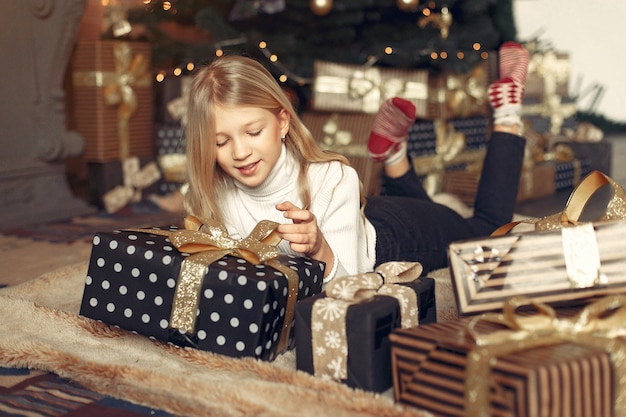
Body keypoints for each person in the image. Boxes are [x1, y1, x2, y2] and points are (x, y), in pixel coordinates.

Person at [183, 42, 529, 282]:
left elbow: (353, 286)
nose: (240, 152)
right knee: (451, 220)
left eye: (253, 132)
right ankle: (394, 158)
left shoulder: (334, 179)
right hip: (359, 214)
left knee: (488, 230)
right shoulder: (216, 193)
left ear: (283, 122)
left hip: (394, 237)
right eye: (221, 142)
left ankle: (508, 113)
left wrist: (320, 248)